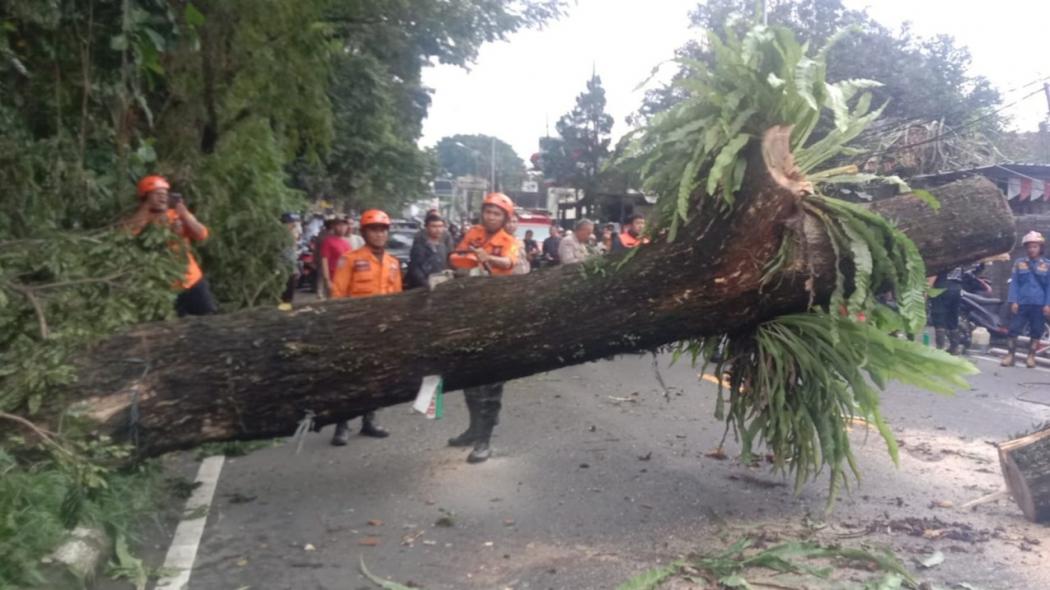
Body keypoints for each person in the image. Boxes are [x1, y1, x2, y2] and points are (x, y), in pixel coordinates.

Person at [447, 192, 519, 463]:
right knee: (468, 377)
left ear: (504, 219)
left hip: (495, 312)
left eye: (496, 213)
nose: (491, 216)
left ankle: (483, 440)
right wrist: (469, 259)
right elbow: (455, 257)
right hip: (469, 310)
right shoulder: (472, 234)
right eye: (488, 212)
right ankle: (473, 428)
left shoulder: (508, 241)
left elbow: (509, 262)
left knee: (490, 381)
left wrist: (487, 257)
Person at [328, 209, 401, 443]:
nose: (379, 235)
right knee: (348, 377)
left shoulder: (393, 263)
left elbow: (398, 298)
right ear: (364, 232)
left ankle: (369, 421)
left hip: (382, 330)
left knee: (375, 377)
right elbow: (338, 295)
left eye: (382, 230)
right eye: (374, 230)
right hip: (354, 328)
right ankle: (342, 425)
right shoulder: (350, 259)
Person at [125, 175, 217, 316]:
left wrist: (184, 213)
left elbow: (201, 235)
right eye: (157, 194)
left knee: (209, 317)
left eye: (164, 194)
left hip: (191, 279)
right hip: (164, 284)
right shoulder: (141, 218)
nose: (162, 198)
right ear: (146, 196)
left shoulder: (176, 214)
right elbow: (126, 235)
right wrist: (147, 208)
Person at [1001, 231, 1050, 368]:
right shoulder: (1019, 263)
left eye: (1035, 246)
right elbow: (1015, 283)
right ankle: (1010, 356)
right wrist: (1014, 301)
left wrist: (1047, 304)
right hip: (1021, 303)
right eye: (1029, 247)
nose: (1031, 249)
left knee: (1036, 330)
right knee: (1013, 329)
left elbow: (1049, 287)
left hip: (1038, 304)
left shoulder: (1047, 265)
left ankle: (1031, 357)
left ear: (1040, 247)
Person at [317, 216, 363, 299]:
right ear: (334, 227)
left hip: (347, 279)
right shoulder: (328, 241)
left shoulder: (346, 243)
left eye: (344, 225)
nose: (342, 228)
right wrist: (327, 280)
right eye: (339, 225)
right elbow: (324, 261)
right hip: (334, 279)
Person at [407, 212, 450, 289]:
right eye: (434, 226)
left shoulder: (443, 246)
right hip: (422, 287)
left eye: (440, 226)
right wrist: (425, 283)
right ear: (427, 227)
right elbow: (414, 268)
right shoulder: (420, 245)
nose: (438, 229)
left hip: (440, 285)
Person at [928, 267, 963, 354]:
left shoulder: (943, 258)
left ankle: (940, 348)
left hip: (941, 289)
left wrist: (926, 292)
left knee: (939, 317)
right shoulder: (960, 258)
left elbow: (933, 276)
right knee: (953, 318)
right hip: (957, 289)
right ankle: (954, 347)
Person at [279, 212, 302, 309]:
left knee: (289, 295)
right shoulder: (280, 237)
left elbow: (293, 255)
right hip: (283, 270)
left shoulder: (291, 235)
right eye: (291, 223)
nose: (293, 225)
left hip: (290, 269)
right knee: (285, 295)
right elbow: (285, 256)